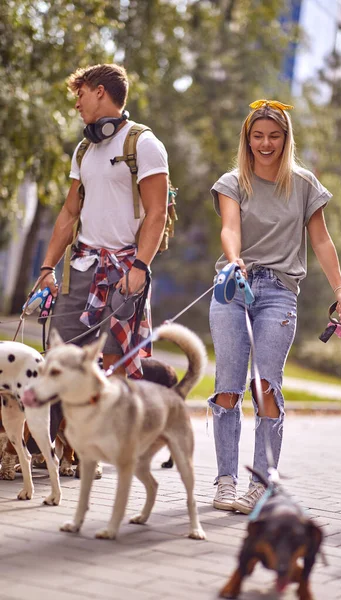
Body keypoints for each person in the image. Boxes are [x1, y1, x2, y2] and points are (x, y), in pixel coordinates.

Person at [208, 99, 341, 514]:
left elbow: (321, 240)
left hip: (278, 292)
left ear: (286, 138)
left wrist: (340, 291)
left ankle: (262, 483)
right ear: (247, 139)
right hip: (233, 287)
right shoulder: (233, 181)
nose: (265, 143)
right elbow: (229, 226)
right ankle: (225, 480)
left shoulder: (304, 184)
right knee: (227, 386)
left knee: (266, 386)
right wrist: (234, 257)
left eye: (274, 136)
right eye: (258, 136)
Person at [37, 64, 169, 476]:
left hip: (124, 270)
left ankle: (95, 452)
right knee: (59, 359)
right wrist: (46, 267)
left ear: (100, 92)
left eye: (80, 95)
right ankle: (58, 447)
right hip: (83, 266)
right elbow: (68, 213)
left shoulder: (144, 145)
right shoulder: (84, 150)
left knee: (109, 366)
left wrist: (140, 266)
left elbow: (157, 212)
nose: (76, 103)